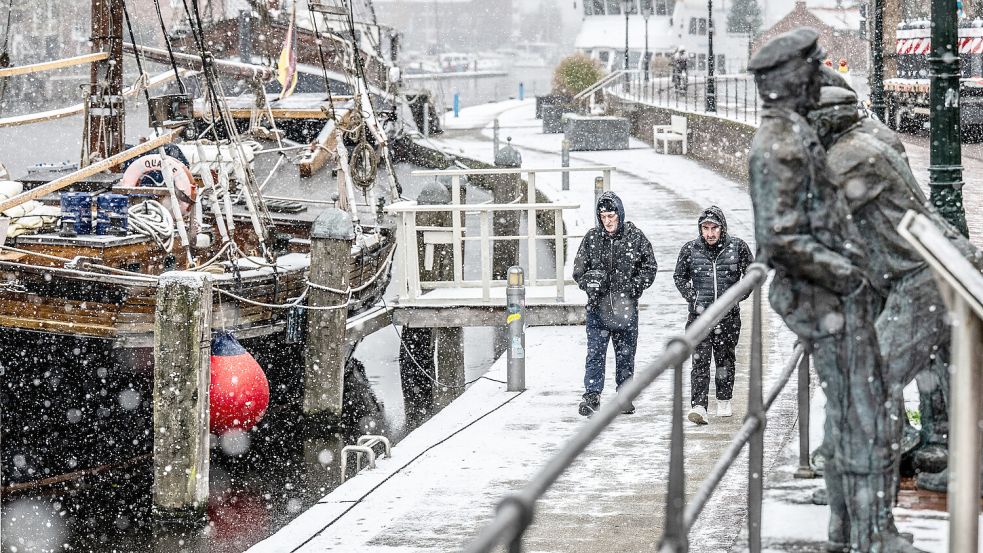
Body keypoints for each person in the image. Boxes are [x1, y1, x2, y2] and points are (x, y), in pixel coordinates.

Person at [748, 28, 917, 552]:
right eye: (814, 66)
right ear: (790, 78)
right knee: (862, 417)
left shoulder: (793, 133)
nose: (822, 74)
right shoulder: (777, 145)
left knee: (855, 414)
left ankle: (856, 530)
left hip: (836, 302)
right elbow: (778, 238)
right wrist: (850, 273)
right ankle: (871, 535)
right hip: (828, 303)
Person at [808, 86, 983, 496]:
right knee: (959, 375)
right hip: (944, 264)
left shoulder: (848, 157)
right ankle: (970, 469)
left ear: (825, 121)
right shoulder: (874, 137)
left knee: (870, 377)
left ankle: (860, 485)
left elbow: (810, 222)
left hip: (923, 278)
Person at [572, 191, 657, 417]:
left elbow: (650, 268)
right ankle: (592, 396)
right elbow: (578, 271)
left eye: (611, 216)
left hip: (625, 310)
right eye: (603, 216)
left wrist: (634, 287)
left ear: (619, 214)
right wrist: (590, 284)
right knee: (595, 354)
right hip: (597, 310)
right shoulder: (591, 238)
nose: (607, 221)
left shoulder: (635, 237)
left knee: (626, 355)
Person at [672, 206, 753, 424]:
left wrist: (737, 296)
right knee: (700, 361)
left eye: (714, 228)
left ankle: (724, 399)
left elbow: (751, 274)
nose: (709, 233)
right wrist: (693, 298)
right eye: (705, 228)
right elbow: (679, 277)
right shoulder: (690, 250)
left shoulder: (737, 247)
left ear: (722, 228)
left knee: (725, 359)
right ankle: (699, 405)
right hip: (699, 317)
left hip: (728, 317)